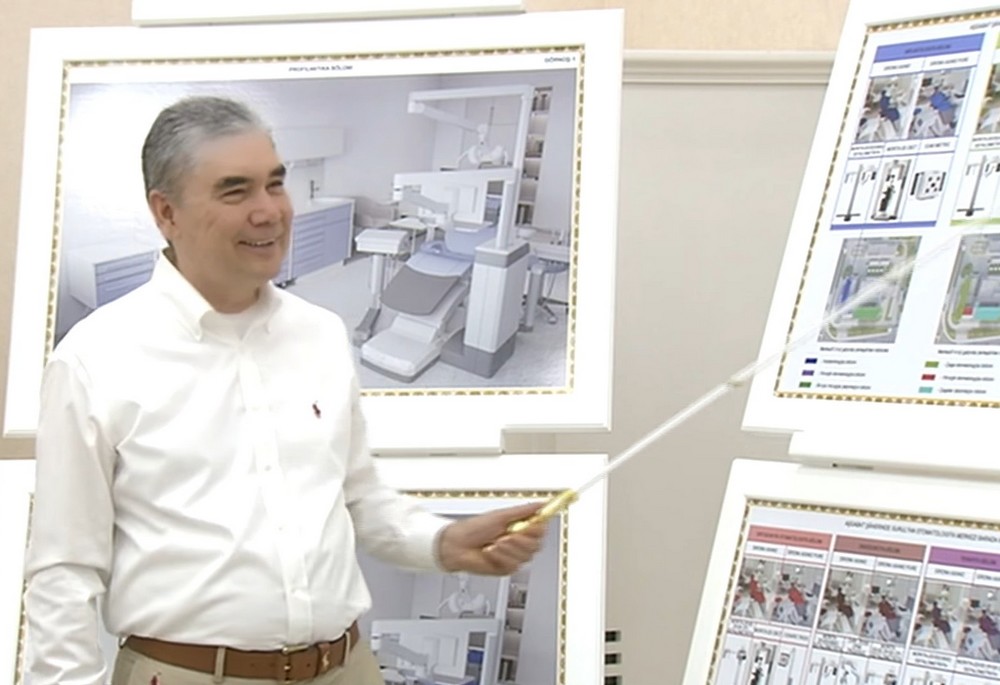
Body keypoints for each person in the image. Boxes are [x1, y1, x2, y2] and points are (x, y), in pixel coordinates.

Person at [24, 95, 547, 685]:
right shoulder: (95, 359)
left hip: (348, 668)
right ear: (166, 212)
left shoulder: (320, 334)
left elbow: (358, 498)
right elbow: (64, 571)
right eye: (236, 191)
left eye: (275, 184)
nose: (270, 211)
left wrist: (442, 542)